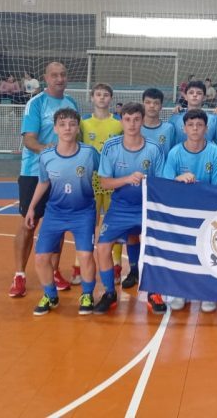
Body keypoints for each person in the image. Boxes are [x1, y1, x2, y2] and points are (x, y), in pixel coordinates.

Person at [9, 62, 78, 298]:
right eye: (54, 75)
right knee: (28, 224)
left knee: (58, 224)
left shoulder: (71, 103)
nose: (59, 78)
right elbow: (29, 140)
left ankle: (54, 271)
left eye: (63, 74)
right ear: (46, 78)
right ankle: (19, 274)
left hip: (62, 174)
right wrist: (49, 152)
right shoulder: (36, 103)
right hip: (34, 172)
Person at [24, 109, 101, 316]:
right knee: (41, 258)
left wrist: (100, 208)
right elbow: (43, 182)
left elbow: (104, 176)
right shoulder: (46, 156)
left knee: (85, 255)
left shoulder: (89, 153)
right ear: (55, 129)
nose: (67, 128)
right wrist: (31, 207)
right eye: (63, 124)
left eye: (72, 124)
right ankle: (50, 295)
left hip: (83, 213)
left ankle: (87, 294)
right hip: (55, 213)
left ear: (77, 129)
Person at [93, 102, 167, 315]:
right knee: (103, 247)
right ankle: (109, 293)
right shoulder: (111, 147)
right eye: (127, 119)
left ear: (142, 121)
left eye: (136, 119)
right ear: (121, 121)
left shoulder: (154, 148)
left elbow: (161, 182)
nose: (132, 124)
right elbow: (104, 182)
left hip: (147, 207)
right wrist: (127, 179)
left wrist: (147, 182)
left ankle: (154, 292)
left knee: (152, 245)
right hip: (120, 208)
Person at [162, 108, 217, 311]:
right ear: (184, 128)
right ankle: (180, 292)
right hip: (182, 212)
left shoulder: (215, 152)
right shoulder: (175, 153)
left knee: (208, 252)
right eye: (190, 125)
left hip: (207, 211)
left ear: (206, 128)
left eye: (199, 125)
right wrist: (177, 179)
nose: (195, 128)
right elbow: (165, 183)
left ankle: (207, 293)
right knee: (182, 252)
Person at [72, 84, 124, 286]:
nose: (102, 98)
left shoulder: (118, 123)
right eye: (98, 94)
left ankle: (117, 265)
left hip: (112, 180)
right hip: (89, 180)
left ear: (111, 98)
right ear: (92, 97)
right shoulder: (83, 123)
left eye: (106, 95)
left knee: (114, 223)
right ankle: (79, 265)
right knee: (87, 223)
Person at [168, 80, 217, 146]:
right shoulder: (175, 118)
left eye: (199, 93)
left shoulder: (212, 119)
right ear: (185, 96)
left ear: (204, 98)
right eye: (191, 93)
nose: (195, 95)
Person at [140, 88, 176, 158]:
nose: (152, 106)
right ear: (143, 105)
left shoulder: (169, 128)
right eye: (148, 102)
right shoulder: (136, 128)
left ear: (161, 106)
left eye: (156, 103)